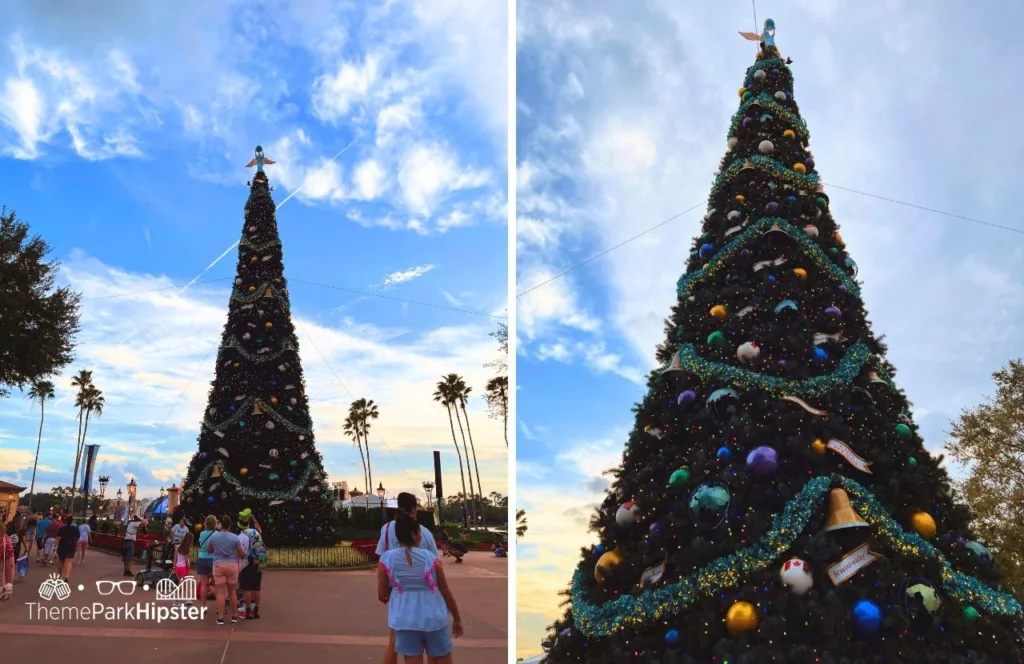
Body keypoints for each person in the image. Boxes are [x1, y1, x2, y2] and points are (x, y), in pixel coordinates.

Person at [377, 516, 463, 663]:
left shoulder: (386, 560)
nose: (421, 535)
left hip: (405, 621)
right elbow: (445, 591)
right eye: (419, 531)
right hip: (434, 619)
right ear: (413, 534)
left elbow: (382, 594)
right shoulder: (430, 559)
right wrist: (457, 618)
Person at [377, 493, 439, 664]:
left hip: (399, 593)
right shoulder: (424, 533)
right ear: (414, 510)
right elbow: (436, 565)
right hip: (427, 595)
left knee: (394, 640)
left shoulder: (387, 528)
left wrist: (383, 589)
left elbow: (381, 562)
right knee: (432, 643)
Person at [206, 514, 245, 625]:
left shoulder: (214, 536)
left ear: (221, 524)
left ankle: (220, 617)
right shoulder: (235, 537)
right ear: (230, 525)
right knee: (233, 592)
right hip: (232, 565)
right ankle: (234, 616)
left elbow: (209, 550)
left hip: (218, 565)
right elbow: (241, 553)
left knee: (220, 592)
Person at [238, 514, 264, 619]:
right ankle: (256, 611)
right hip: (259, 561)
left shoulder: (240, 537)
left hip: (247, 564)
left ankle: (248, 611)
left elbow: (240, 553)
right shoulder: (255, 532)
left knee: (246, 588)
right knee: (256, 588)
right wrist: (254, 519)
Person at [196, 515, 217, 607]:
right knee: (216, 584)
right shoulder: (216, 534)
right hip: (213, 559)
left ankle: (203, 605)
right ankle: (219, 605)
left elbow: (201, 544)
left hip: (202, 558)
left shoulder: (202, 534)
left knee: (204, 585)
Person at [173, 531, 194, 607]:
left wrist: (174, 567)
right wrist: (189, 569)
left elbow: (175, 558)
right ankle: (176, 600)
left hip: (178, 567)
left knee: (182, 583)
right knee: (182, 584)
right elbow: (186, 561)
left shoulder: (178, 547)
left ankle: (186, 599)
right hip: (183, 568)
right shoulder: (187, 549)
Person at [56, 516, 79, 583]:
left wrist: (54, 545)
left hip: (62, 546)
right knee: (69, 561)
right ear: (72, 521)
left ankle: (59, 577)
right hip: (71, 546)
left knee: (61, 562)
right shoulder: (75, 529)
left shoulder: (62, 529)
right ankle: (66, 576)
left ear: (65, 521)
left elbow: (58, 538)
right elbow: (77, 538)